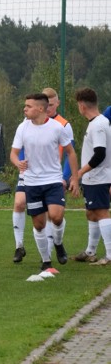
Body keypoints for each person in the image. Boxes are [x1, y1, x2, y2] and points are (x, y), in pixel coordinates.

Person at [10, 93, 79, 272]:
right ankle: (46, 261)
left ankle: (58, 243)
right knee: (39, 224)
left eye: (28, 106)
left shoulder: (57, 128)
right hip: (32, 183)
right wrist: (18, 163)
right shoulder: (22, 128)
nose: (25, 109)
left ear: (40, 108)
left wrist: (75, 179)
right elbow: (14, 153)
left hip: (53, 180)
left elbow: (71, 152)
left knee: (56, 216)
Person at [73, 87, 111, 265]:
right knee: (91, 213)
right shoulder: (99, 122)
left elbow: (100, 154)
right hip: (94, 178)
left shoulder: (97, 125)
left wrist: (80, 172)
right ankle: (90, 251)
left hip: (98, 177)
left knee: (102, 212)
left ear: (82, 106)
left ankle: (109, 256)